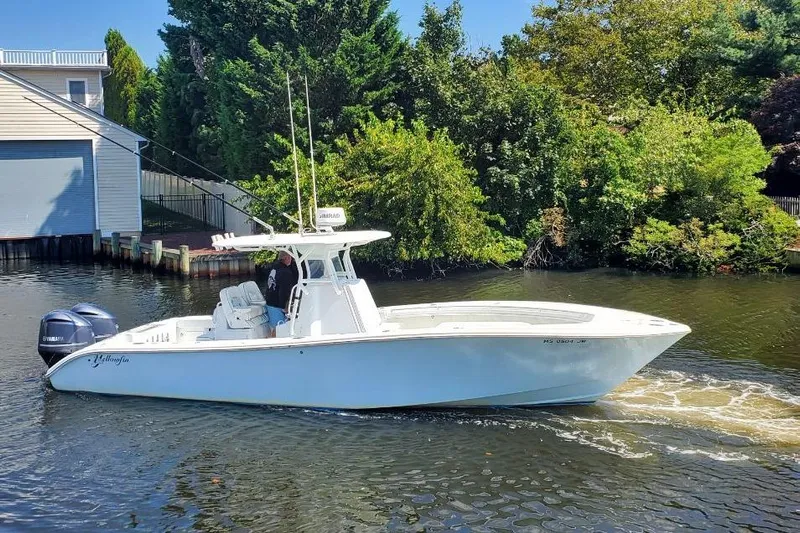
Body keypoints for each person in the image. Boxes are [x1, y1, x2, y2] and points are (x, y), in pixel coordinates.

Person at [265, 250, 297, 334]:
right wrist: (285, 306)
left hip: (270, 302)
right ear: (287, 257)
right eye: (291, 257)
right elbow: (284, 290)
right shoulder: (285, 272)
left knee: (276, 328)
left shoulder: (275, 267)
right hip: (277, 305)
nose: (291, 260)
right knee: (279, 330)